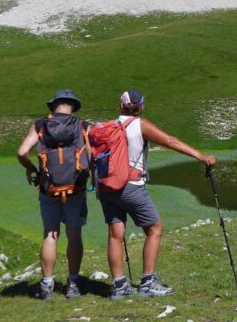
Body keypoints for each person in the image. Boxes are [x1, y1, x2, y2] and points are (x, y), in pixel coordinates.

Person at [98, 89, 216, 300]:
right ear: (141, 106)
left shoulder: (109, 125)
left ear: (120, 105)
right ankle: (148, 283)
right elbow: (170, 141)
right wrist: (200, 155)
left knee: (115, 234)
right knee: (155, 228)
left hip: (107, 187)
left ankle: (119, 286)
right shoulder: (140, 125)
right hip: (131, 186)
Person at [16, 89, 91, 300]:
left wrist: (32, 169)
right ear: (73, 106)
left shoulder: (40, 125)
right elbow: (91, 155)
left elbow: (22, 152)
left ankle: (47, 285)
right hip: (75, 189)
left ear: (54, 105)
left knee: (50, 234)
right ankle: (73, 284)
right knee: (74, 234)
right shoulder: (82, 125)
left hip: (48, 189)